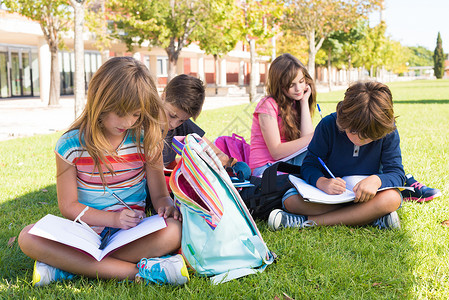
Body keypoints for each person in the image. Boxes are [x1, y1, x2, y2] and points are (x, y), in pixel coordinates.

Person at [18, 57, 189, 286]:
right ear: (101, 101)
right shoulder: (70, 145)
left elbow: (159, 195)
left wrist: (166, 206)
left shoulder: (146, 140)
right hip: (84, 234)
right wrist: (113, 218)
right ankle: (138, 273)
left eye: (136, 114)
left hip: (130, 235)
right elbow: (68, 206)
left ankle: (68, 267)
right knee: (28, 237)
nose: (128, 122)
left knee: (174, 231)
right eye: (121, 112)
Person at [268, 81, 404, 231]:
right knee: (291, 201)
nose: (359, 140)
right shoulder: (328, 125)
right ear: (343, 118)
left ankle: (306, 222)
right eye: (353, 132)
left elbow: (397, 174)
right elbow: (309, 165)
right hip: (328, 197)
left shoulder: (387, 131)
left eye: (368, 137)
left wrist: (376, 180)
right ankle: (369, 216)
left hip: (367, 197)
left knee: (392, 198)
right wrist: (322, 182)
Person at [249, 53, 316, 177]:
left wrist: (304, 102)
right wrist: (315, 136)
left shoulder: (296, 102)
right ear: (279, 85)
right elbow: (276, 152)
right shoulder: (267, 105)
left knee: (319, 161)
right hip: (266, 167)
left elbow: (306, 141)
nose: (298, 89)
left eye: (301, 82)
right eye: (291, 85)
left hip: (288, 161)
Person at [162, 74, 234, 170]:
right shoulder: (142, 121)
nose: (174, 124)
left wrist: (212, 160)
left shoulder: (183, 125)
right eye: (172, 115)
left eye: (182, 120)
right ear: (163, 96)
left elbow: (221, 155)